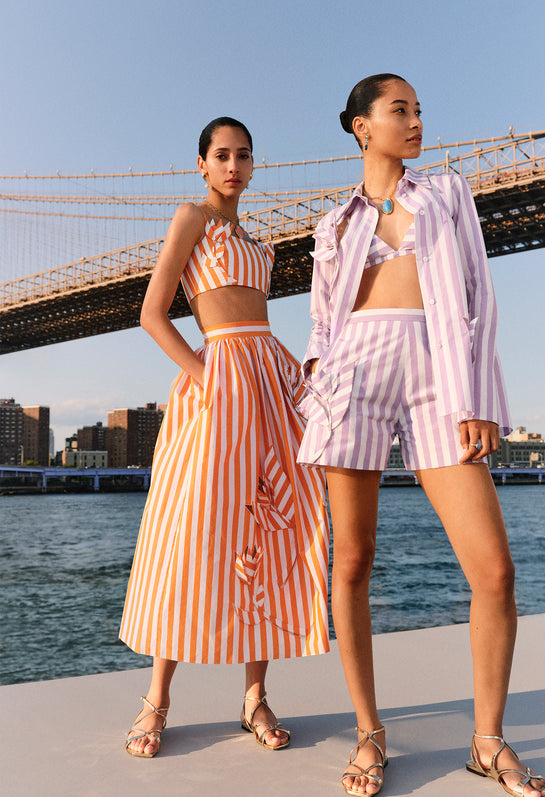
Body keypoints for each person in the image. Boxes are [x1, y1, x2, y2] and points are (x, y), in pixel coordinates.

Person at [298, 75, 545, 797]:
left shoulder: (447, 194)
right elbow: (322, 324)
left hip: (438, 376)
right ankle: (369, 731)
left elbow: (478, 295)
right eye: (399, 110)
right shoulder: (333, 224)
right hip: (355, 376)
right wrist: (320, 378)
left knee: (494, 571)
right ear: (360, 126)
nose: (415, 122)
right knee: (351, 560)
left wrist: (477, 396)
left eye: (418, 111)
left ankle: (487, 739)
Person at [120, 117, 329, 758]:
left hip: (270, 382)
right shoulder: (192, 219)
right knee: (187, 534)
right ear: (202, 165)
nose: (233, 165)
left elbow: (259, 321)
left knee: (273, 531)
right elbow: (151, 313)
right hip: (216, 388)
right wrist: (203, 373)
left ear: (252, 165)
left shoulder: (260, 245)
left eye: (243, 155)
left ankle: (255, 697)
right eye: (221, 155)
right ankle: (156, 701)